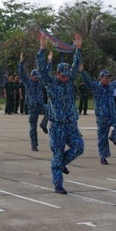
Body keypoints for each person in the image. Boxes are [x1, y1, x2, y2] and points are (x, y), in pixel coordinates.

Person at [37, 32, 83, 194]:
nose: (65, 78)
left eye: (67, 75)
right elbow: (42, 70)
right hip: (57, 126)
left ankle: (62, 163)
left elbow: (76, 67)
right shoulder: (50, 83)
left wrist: (78, 49)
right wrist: (42, 50)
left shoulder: (69, 82)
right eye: (63, 75)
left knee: (79, 147)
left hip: (71, 124)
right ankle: (58, 184)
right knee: (57, 154)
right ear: (57, 74)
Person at [81, 62, 116, 165]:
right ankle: (103, 157)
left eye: (108, 78)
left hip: (112, 115)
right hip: (102, 117)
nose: (107, 79)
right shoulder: (96, 87)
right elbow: (87, 81)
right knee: (102, 138)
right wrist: (82, 72)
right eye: (105, 78)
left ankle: (114, 136)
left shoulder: (111, 86)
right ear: (100, 78)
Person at [18, 52, 48, 151]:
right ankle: (34, 145)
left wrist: (49, 62)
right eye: (35, 77)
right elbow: (21, 73)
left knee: (50, 110)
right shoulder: (27, 81)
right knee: (32, 126)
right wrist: (21, 63)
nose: (36, 78)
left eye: (37, 77)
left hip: (40, 103)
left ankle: (43, 124)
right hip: (32, 106)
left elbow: (46, 72)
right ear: (31, 76)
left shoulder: (40, 82)